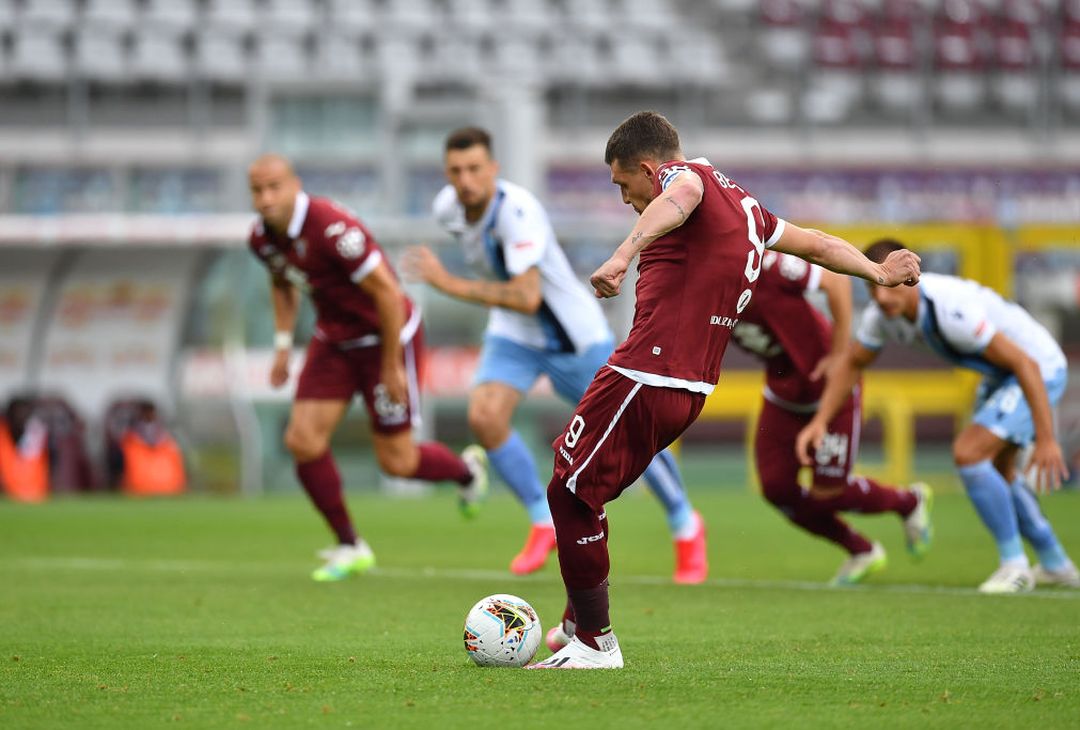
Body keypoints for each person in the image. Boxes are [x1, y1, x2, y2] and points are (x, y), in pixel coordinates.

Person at [531, 111, 922, 670]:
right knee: (584, 493)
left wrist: (624, 254)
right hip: (688, 389)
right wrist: (877, 273)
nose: (624, 199)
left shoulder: (682, 179)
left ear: (647, 168)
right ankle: (578, 624)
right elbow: (813, 243)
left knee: (569, 492)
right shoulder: (747, 207)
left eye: (623, 185)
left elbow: (680, 193)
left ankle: (595, 642)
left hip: (649, 372)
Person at [402, 127, 707, 581]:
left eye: (474, 169)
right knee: (485, 417)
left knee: (632, 436)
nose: (464, 180)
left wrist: (444, 283)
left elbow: (527, 295)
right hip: (515, 336)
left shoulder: (518, 213)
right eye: (455, 171)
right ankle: (542, 521)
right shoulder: (448, 208)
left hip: (572, 338)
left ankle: (685, 524)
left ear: (493, 171)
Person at [247, 154, 487, 582]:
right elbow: (282, 281)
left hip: (386, 335)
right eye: (257, 190)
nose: (265, 198)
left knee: (396, 461)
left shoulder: (332, 230)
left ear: (294, 185)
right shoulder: (263, 239)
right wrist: (283, 344)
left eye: (273, 187)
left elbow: (389, 295)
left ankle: (466, 472)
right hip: (335, 340)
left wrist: (392, 364)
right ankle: (349, 545)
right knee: (302, 440)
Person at [796, 238, 1077, 594]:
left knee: (970, 453)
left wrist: (1047, 438)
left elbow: (1026, 363)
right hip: (1002, 375)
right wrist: (820, 421)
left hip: (1038, 367)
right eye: (874, 286)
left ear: (911, 278)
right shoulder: (881, 317)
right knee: (999, 471)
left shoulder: (950, 308)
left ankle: (1014, 566)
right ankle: (1055, 563)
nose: (882, 297)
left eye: (891, 286)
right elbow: (853, 364)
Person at [731, 250, 932, 585]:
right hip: (782, 395)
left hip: (831, 391)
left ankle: (909, 501)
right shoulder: (700, 287)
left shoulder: (764, 265)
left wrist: (839, 354)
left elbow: (835, 280)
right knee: (776, 488)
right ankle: (861, 549)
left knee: (829, 493)